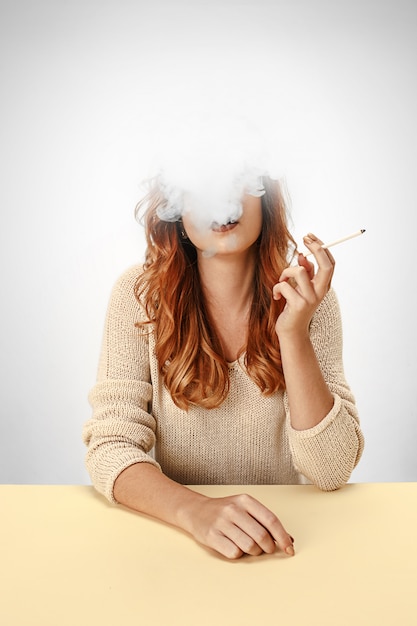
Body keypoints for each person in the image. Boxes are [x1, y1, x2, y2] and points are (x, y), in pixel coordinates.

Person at [83, 174, 364, 560]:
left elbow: (331, 470)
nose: (221, 198)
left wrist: (294, 334)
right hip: (174, 543)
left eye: (237, 178)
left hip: (282, 545)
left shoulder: (309, 302)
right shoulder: (139, 297)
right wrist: (194, 510)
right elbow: (111, 447)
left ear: (265, 198)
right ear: (176, 207)